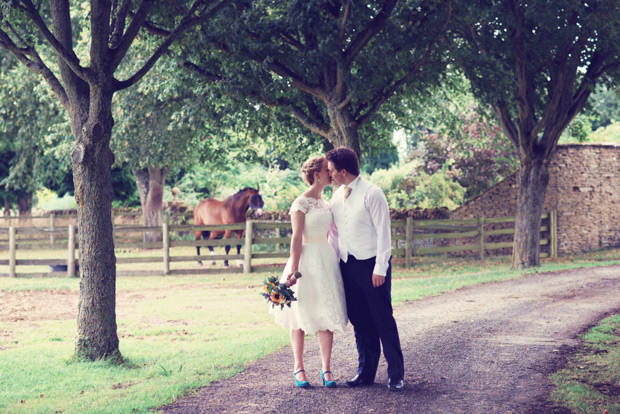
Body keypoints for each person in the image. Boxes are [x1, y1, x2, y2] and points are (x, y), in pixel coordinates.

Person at [326, 147, 405, 392]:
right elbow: (335, 235)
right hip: (348, 267)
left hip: (373, 266)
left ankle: (396, 374)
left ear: (343, 171)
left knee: (382, 318)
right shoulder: (336, 196)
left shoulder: (373, 193)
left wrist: (381, 268)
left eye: (331, 171)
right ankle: (365, 373)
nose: (329, 175)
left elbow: (384, 233)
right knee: (359, 320)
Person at [272, 155, 348, 388]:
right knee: (301, 314)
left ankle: (326, 370)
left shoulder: (327, 203)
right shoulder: (300, 203)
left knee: (326, 309)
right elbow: (296, 237)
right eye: (328, 170)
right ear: (317, 175)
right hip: (304, 259)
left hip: (325, 259)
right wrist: (293, 269)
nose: (331, 173)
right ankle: (299, 367)